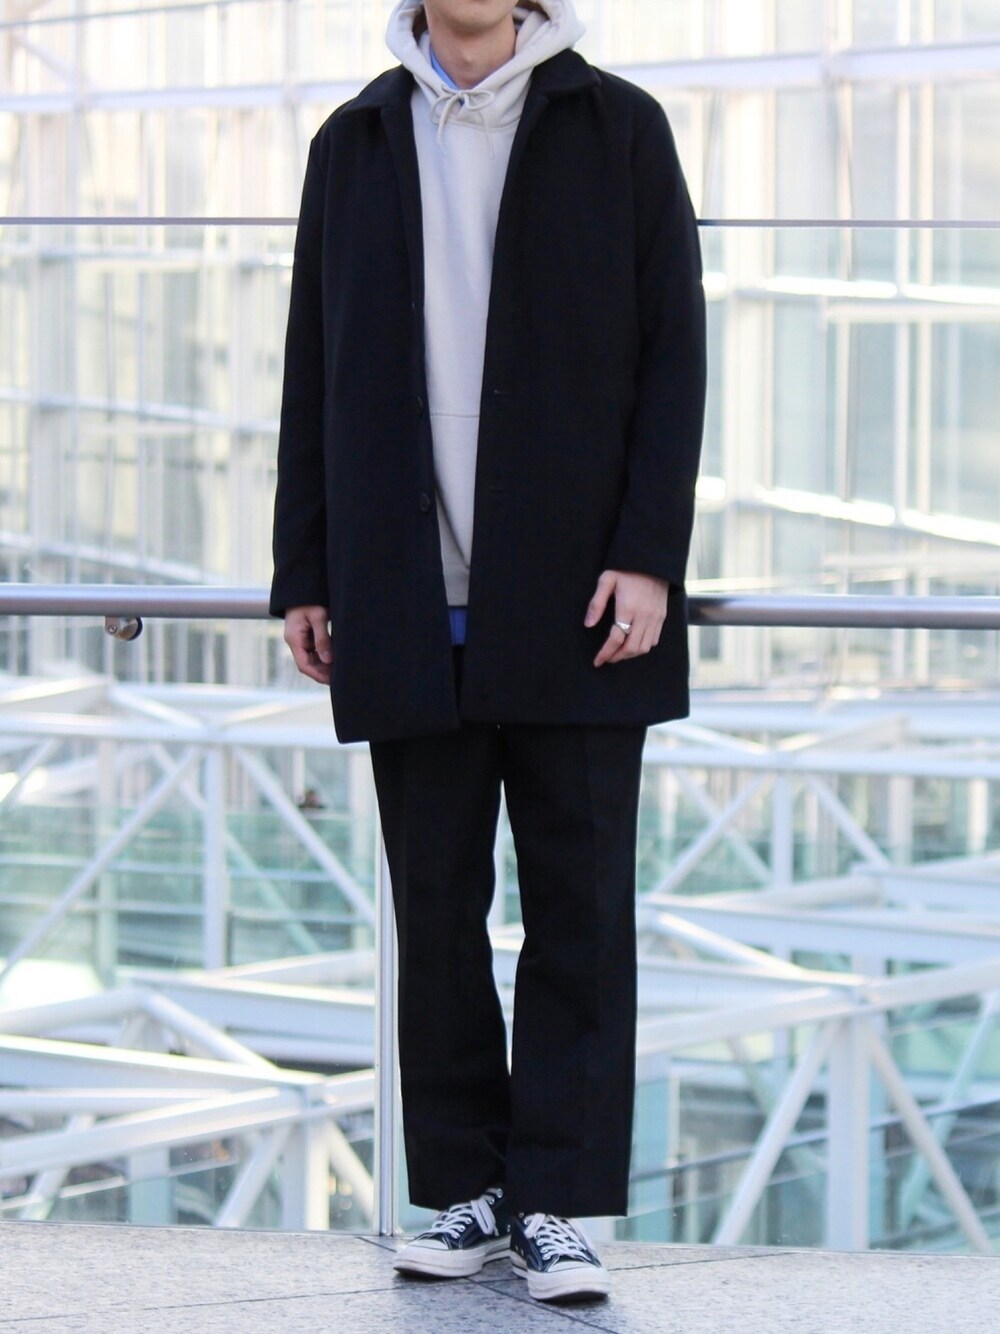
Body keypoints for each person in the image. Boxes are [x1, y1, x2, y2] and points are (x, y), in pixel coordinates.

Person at [271, 0, 705, 1304]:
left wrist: (650, 552)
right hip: (407, 595)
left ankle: (556, 1203)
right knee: (437, 911)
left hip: (581, 599)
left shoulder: (619, 128)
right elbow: (312, 364)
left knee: (581, 909)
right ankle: (462, 1188)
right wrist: (306, 569)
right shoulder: (354, 141)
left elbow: (675, 350)